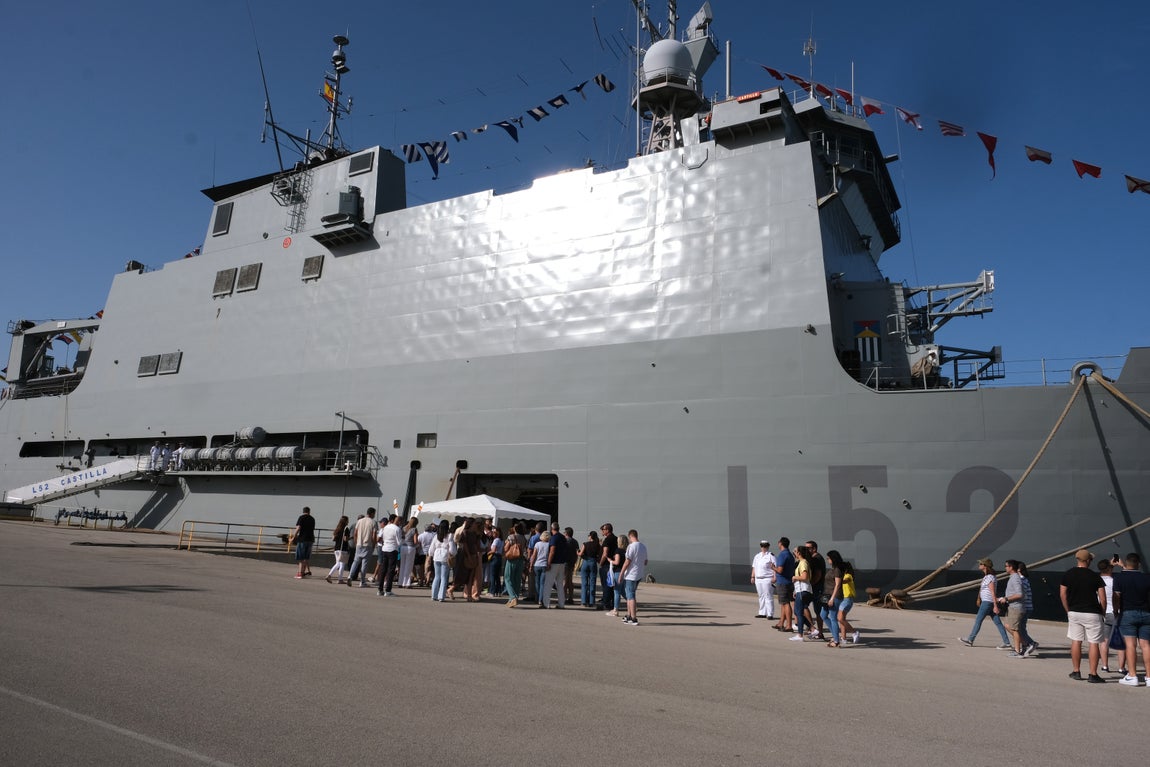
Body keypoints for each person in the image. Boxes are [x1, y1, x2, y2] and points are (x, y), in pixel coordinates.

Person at [1059, 549, 1107, 683]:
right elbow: (1102, 599)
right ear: (1088, 561)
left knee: (1076, 641)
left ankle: (1076, 671)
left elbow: (1062, 594)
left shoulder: (1068, 574)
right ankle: (1093, 674)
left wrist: (1068, 610)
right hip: (1092, 612)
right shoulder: (1095, 576)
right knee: (1093, 643)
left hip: (1074, 612)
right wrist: (1102, 612)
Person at [1113, 552, 1150, 686]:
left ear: (1126, 563)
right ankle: (1149, 677)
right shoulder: (1146, 578)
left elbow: (1116, 597)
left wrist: (1116, 611)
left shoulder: (1119, 578)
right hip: (1146, 614)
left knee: (1130, 645)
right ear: (1138, 564)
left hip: (1127, 613)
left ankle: (1132, 676)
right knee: (1146, 645)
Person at [958, 558, 1011, 649]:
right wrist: (979, 599)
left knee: (978, 621)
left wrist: (995, 605)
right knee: (998, 623)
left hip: (987, 602)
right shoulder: (989, 577)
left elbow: (992, 592)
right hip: (988, 602)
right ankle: (1006, 642)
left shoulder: (990, 577)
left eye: (981, 564)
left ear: (985, 566)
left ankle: (970, 639)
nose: (979, 565)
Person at [619, 529, 648, 626]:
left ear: (630, 536)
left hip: (631, 575)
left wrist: (621, 573)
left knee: (631, 596)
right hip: (639, 574)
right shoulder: (643, 547)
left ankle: (634, 618)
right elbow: (645, 562)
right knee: (629, 595)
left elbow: (627, 561)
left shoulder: (631, 546)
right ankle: (628, 615)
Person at [997, 560, 1026, 656]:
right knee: (1007, 625)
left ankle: (1018, 651)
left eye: (1006, 566)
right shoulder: (1013, 577)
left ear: (1011, 567)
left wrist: (1006, 598)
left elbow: (1019, 594)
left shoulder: (1015, 578)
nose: (1005, 568)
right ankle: (1026, 644)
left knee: (1014, 629)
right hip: (1012, 607)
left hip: (1015, 607)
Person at [426, 520, 456, 602]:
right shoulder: (449, 536)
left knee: (437, 576)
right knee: (444, 577)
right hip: (445, 556)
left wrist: (430, 556)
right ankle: (441, 596)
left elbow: (431, 548)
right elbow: (452, 549)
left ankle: (434, 595)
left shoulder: (436, 536)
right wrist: (453, 554)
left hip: (436, 556)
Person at [347, 508, 376, 587]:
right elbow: (374, 535)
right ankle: (362, 581)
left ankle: (350, 576)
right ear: (372, 513)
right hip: (368, 545)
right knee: (364, 564)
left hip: (359, 544)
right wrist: (374, 545)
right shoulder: (373, 522)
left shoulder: (359, 521)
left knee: (355, 562)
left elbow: (355, 533)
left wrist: (356, 542)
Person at [822, 550, 846, 647]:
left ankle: (836, 641)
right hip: (827, 596)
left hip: (834, 596)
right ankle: (835, 635)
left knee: (833, 617)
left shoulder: (837, 570)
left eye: (828, 558)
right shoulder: (833, 568)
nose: (827, 560)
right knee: (823, 615)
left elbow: (837, 585)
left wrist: (832, 598)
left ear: (833, 558)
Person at [790, 545, 813, 641]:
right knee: (797, 611)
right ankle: (812, 629)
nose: (794, 553)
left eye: (795, 551)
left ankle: (800, 635)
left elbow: (804, 577)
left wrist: (795, 577)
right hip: (801, 590)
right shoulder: (802, 562)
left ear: (799, 553)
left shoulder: (803, 563)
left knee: (798, 612)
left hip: (803, 590)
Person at [1098, 558, 1118, 671]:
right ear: (1110, 568)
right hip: (1115, 613)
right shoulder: (1115, 581)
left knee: (1104, 641)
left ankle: (1105, 665)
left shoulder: (1097, 580)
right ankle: (1121, 667)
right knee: (1123, 642)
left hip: (1104, 612)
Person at [376, 514, 403, 597]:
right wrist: (403, 539)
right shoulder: (397, 529)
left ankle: (380, 590)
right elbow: (399, 542)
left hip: (385, 549)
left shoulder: (386, 527)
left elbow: (382, 537)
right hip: (392, 550)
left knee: (383, 569)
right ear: (397, 521)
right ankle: (388, 590)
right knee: (390, 570)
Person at [542, 523, 568, 609]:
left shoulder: (553, 538)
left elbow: (552, 551)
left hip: (554, 563)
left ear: (551, 528)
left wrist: (548, 563)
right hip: (562, 563)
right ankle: (561, 604)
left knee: (548, 584)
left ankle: (546, 604)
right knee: (560, 584)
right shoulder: (563, 537)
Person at [773, 538, 795, 633]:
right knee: (783, 603)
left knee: (786, 603)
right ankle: (781, 623)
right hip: (789, 581)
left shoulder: (782, 554)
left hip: (783, 582)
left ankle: (789, 625)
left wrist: (773, 567)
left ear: (780, 544)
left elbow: (780, 570)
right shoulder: (790, 554)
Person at [503, 522, 528, 607]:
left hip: (512, 559)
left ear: (515, 528)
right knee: (517, 579)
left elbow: (506, 548)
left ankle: (512, 597)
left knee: (508, 578)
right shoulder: (524, 538)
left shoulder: (511, 537)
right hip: (520, 560)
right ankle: (514, 598)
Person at [806, 540, 826, 639]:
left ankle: (817, 631)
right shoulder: (814, 558)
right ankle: (814, 629)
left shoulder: (817, 559)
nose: (806, 550)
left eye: (808, 548)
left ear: (814, 549)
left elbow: (818, 575)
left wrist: (811, 584)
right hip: (818, 588)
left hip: (817, 589)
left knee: (819, 611)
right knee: (818, 611)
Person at [751, 540, 776, 619]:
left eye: (765, 546)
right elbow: (754, 567)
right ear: (760, 546)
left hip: (767, 578)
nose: (763, 547)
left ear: (768, 546)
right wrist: (752, 576)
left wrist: (775, 577)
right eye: (762, 546)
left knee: (768, 596)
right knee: (761, 596)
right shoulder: (757, 556)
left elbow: (775, 567)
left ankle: (770, 614)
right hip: (758, 579)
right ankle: (762, 612)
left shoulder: (771, 556)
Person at [838, 559, 860, 644]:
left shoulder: (848, 575)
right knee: (842, 619)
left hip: (847, 599)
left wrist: (836, 580)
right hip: (843, 599)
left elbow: (845, 581)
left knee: (840, 618)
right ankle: (843, 638)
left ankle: (854, 632)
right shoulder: (844, 575)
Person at [578, 531, 602, 607]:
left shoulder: (585, 544)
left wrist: (577, 553)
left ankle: (584, 601)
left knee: (584, 583)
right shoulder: (597, 545)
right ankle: (592, 601)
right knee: (592, 583)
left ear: (590, 536)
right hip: (593, 562)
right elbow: (599, 555)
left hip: (585, 562)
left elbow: (581, 554)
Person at [291, 506, 316, 579]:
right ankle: (303, 573)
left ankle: (300, 574)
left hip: (302, 539)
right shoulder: (312, 519)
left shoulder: (301, 518)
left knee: (301, 558)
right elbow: (312, 529)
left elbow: (298, 528)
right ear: (309, 511)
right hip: (310, 539)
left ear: (303, 511)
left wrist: (293, 537)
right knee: (306, 558)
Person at [598, 523, 618, 611]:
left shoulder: (607, 540)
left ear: (607, 530)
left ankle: (606, 604)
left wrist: (601, 563)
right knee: (612, 585)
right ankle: (613, 603)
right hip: (614, 564)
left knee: (606, 585)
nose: (602, 531)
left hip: (606, 565)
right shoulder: (616, 538)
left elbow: (605, 553)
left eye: (603, 529)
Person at [530, 531, 551, 608]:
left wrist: (531, 565)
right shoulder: (549, 545)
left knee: (537, 583)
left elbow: (534, 555)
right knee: (542, 584)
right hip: (545, 565)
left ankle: (537, 598)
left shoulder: (537, 544)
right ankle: (540, 599)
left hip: (537, 565)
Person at [325, 515, 350, 583]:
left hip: (336, 548)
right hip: (343, 548)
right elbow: (345, 539)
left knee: (338, 563)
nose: (348, 521)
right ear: (345, 521)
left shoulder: (337, 529)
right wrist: (351, 538)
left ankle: (330, 576)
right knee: (342, 564)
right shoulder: (346, 529)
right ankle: (339, 579)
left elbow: (333, 538)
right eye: (348, 520)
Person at [563, 526, 579, 604]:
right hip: (572, 563)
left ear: (566, 533)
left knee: (565, 581)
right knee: (570, 581)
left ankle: (564, 597)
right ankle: (570, 597)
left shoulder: (564, 541)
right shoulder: (575, 542)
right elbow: (577, 553)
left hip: (565, 563)